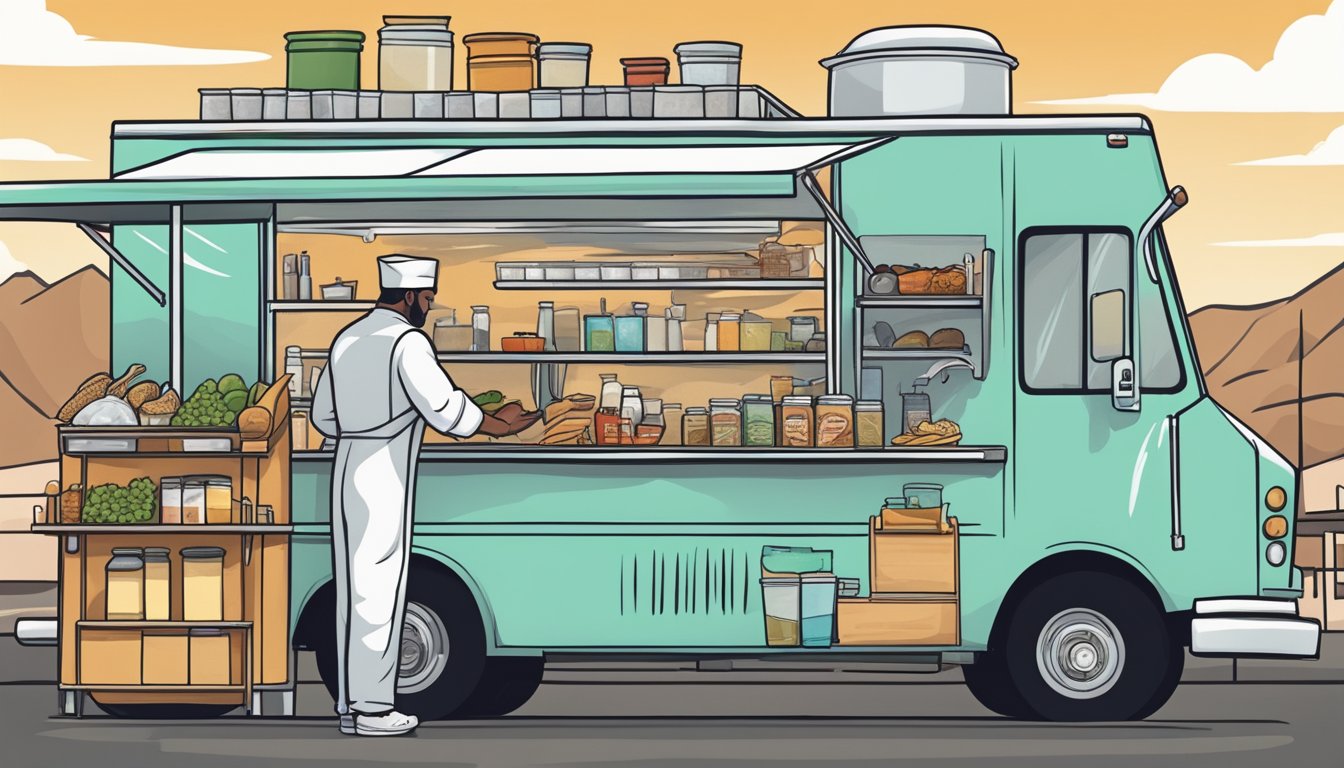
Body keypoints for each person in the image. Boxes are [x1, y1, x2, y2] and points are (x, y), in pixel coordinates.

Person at [310, 254, 538, 736]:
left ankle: (351, 708)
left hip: (346, 464)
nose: (429, 307)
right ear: (410, 296)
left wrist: (362, 424)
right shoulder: (407, 341)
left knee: (352, 590)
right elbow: (446, 408)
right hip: (384, 469)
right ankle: (374, 710)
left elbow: (322, 417)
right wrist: (500, 427)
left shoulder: (347, 337)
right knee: (380, 588)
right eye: (428, 299)